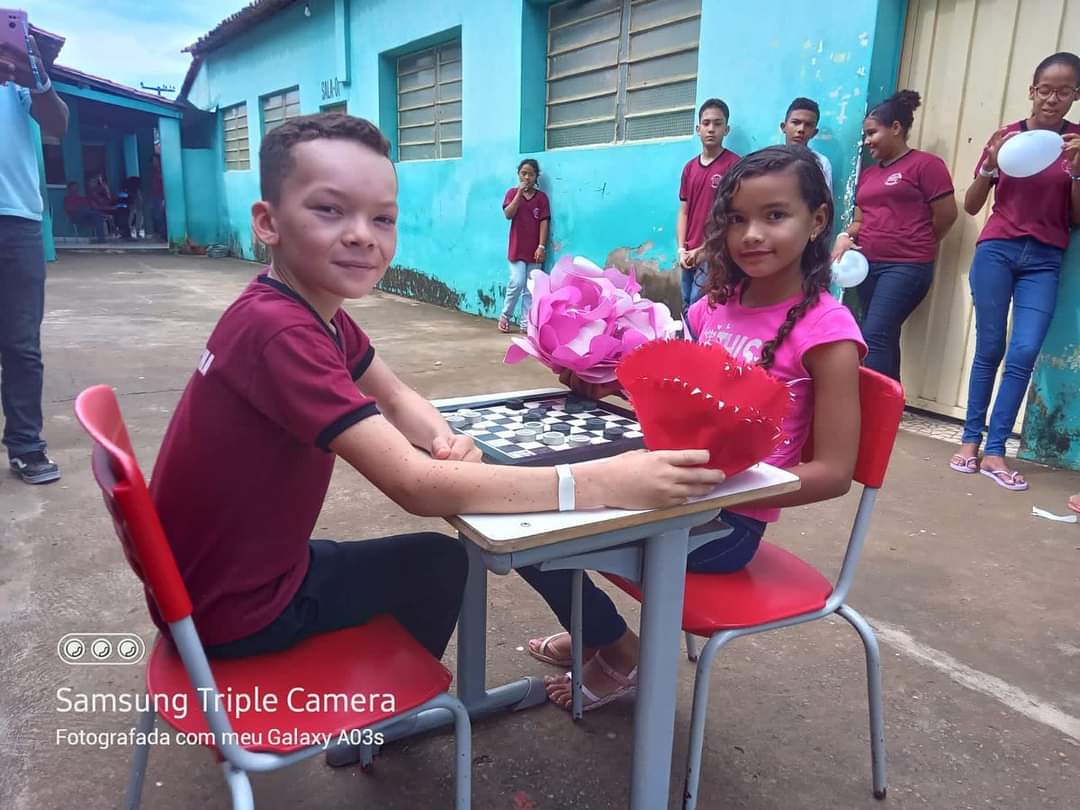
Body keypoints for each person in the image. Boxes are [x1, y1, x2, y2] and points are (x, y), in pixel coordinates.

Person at [148, 113, 723, 682]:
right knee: (440, 563)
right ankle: (394, 715)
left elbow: (394, 395)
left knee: (449, 544)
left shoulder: (304, 310)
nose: (360, 234)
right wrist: (604, 482)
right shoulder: (282, 332)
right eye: (329, 210)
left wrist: (443, 440)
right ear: (266, 223)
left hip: (208, 586)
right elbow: (414, 487)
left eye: (383, 218)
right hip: (237, 612)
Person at [522, 145, 865, 712]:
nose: (751, 234)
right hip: (670, 492)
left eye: (775, 216)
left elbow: (833, 474)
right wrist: (606, 383)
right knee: (526, 511)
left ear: (818, 221)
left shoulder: (828, 331)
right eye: (736, 220)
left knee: (540, 536)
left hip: (727, 527)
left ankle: (613, 644)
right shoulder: (712, 307)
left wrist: (730, 485)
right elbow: (673, 402)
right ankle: (599, 629)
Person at [951, 52, 1080, 491]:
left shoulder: (1077, 144)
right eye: (1045, 89)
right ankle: (969, 441)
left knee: (1024, 352)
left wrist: (1078, 174)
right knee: (990, 347)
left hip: (1045, 259)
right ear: (1031, 90)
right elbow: (971, 206)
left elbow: (1077, 218)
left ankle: (995, 451)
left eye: (1064, 91)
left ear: (1075, 96)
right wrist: (990, 164)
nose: (1052, 99)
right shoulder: (1007, 137)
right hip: (998, 251)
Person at [831, 90, 957, 382]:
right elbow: (861, 220)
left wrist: (916, 241)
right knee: (883, 335)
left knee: (873, 335)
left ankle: (871, 412)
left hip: (907, 266)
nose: (867, 141)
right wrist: (843, 236)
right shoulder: (869, 175)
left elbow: (947, 215)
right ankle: (891, 407)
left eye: (872, 133)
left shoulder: (925, 165)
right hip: (868, 266)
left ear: (896, 128)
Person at [0, 32, 67, 484]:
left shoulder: (16, 76)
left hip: (17, 221)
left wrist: (37, 76)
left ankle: (26, 445)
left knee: (21, 345)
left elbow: (57, 125)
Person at [677, 98, 740, 320]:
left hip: (715, 253)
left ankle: (697, 352)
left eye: (717, 123)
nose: (711, 129)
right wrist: (681, 250)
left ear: (726, 129)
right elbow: (684, 211)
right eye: (706, 123)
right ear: (698, 129)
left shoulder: (734, 166)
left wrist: (705, 249)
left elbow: (734, 216)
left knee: (699, 305)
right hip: (689, 253)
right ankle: (687, 351)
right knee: (685, 304)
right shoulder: (689, 168)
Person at [499, 158, 549, 333]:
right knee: (517, 282)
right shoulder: (512, 193)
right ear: (518, 174)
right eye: (523, 173)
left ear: (536, 177)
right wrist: (519, 194)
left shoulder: (541, 198)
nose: (527, 177)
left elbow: (544, 222)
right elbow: (508, 214)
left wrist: (541, 246)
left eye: (531, 174)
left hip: (534, 250)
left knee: (531, 288)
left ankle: (525, 324)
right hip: (517, 249)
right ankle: (505, 316)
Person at [780, 96, 833, 193]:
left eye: (808, 125)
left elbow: (826, 201)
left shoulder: (821, 163)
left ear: (814, 133)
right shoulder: (769, 159)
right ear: (783, 127)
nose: (801, 129)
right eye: (796, 122)